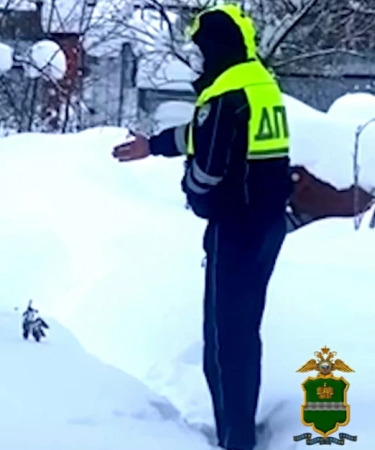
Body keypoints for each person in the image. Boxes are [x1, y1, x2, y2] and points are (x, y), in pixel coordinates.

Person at [112, 4, 291, 450]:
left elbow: (207, 168)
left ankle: (236, 441)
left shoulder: (223, 92)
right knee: (244, 333)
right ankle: (240, 431)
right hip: (268, 225)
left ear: (215, 46)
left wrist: (191, 190)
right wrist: (152, 146)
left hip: (236, 230)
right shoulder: (260, 84)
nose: (198, 58)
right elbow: (204, 133)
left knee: (224, 343)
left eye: (201, 48)